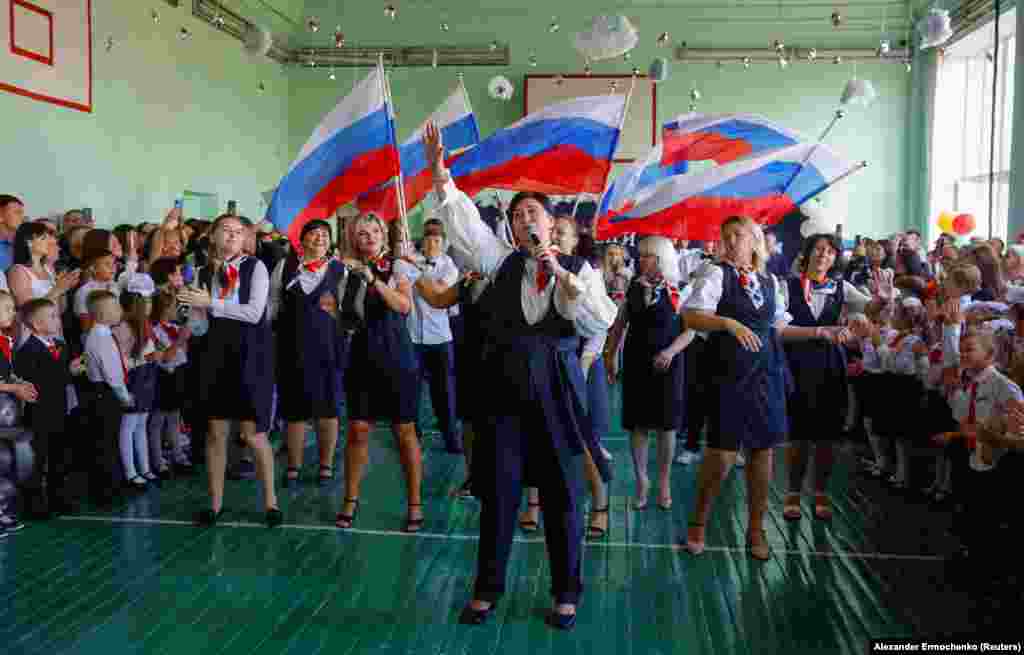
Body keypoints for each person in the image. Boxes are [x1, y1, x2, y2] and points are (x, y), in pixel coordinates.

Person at [425, 123, 617, 629]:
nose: (523, 219)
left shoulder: (578, 267)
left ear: (552, 223)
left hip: (556, 393)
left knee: (562, 498)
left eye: (531, 212)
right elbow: (464, 225)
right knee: (500, 493)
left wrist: (564, 277)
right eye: (515, 214)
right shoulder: (500, 261)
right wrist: (442, 177)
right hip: (505, 393)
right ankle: (487, 589)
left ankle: (566, 593)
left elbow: (600, 319)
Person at [682, 216, 818, 560]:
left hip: (766, 375)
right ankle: (698, 522)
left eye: (737, 235)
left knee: (762, 453)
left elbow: (780, 328)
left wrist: (823, 332)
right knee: (722, 455)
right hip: (728, 375)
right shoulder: (715, 274)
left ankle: (755, 529)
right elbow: (691, 317)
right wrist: (727, 322)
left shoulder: (772, 282)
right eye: (724, 236)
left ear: (755, 241)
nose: (729, 241)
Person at [178, 214, 282, 528]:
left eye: (239, 232)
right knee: (216, 432)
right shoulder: (201, 272)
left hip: (250, 357)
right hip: (214, 357)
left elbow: (252, 313)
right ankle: (214, 503)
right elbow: (198, 326)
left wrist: (210, 302)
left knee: (253, 434)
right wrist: (185, 307)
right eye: (226, 230)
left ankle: (271, 503)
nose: (233, 236)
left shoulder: (256, 268)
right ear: (213, 236)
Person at [333, 213, 423, 533]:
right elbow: (331, 306)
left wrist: (372, 280)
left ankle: (414, 502)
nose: (368, 237)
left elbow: (403, 305)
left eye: (373, 231)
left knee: (404, 432)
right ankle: (351, 499)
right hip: (361, 356)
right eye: (361, 233)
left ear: (383, 235)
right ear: (353, 240)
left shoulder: (396, 266)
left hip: (396, 355)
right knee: (357, 430)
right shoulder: (345, 269)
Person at [268, 219, 349, 487]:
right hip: (292, 348)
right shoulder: (285, 267)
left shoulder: (341, 270)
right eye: (314, 234)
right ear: (301, 241)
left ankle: (325, 464)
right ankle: (294, 465)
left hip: (329, 348)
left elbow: (351, 312)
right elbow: (272, 306)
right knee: (295, 411)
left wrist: (338, 314)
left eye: (325, 234)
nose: (320, 238)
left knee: (327, 410)